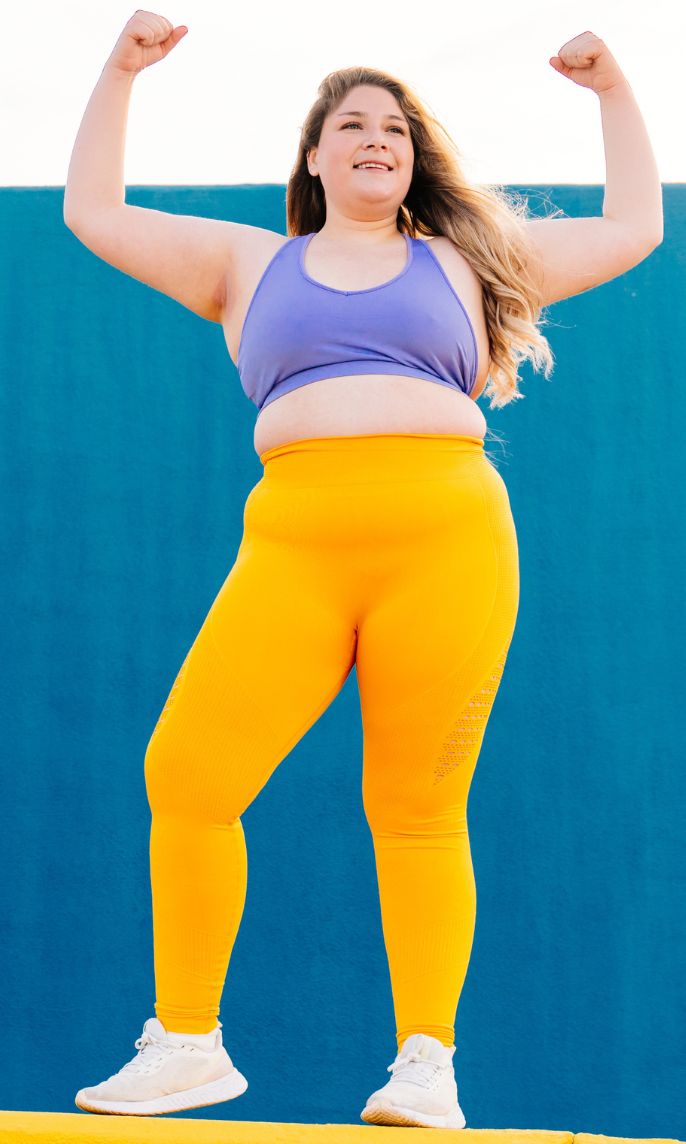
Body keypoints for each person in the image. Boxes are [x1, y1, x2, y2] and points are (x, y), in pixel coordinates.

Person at [64, 12, 663, 1127]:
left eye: (394, 126)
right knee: (187, 775)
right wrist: (120, 70)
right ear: (314, 156)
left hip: (444, 540)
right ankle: (187, 1043)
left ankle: (426, 1065)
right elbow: (93, 212)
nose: (375, 137)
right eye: (351, 124)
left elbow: (633, 226)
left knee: (417, 804)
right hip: (296, 542)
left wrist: (612, 90)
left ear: (413, 156)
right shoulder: (247, 262)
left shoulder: (469, 262)